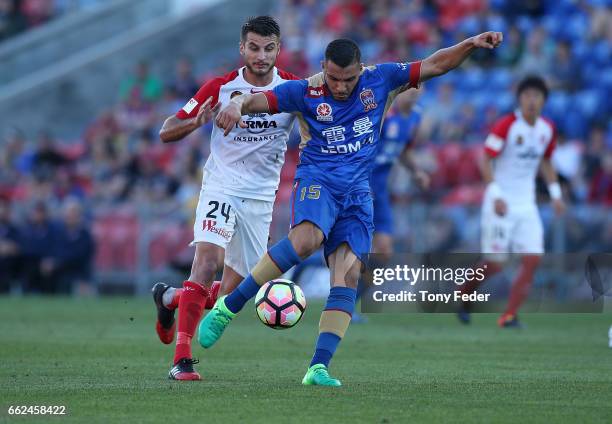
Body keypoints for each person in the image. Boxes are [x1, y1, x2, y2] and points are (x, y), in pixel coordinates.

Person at [200, 32, 503, 386]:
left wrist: (469, 44)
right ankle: (227, 307)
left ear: (362, 69)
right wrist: (236, 105)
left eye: (348, 79)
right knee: (306, 239)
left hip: (358, 192)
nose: (341, 87)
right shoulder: (305, 90)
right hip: (318, 180)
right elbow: (258, 100)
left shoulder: (382, 79)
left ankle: (318, 368)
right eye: (333, 78)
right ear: (322, 69)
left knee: (347, 275)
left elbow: (436, 63)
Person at [153, 16, 300, 381]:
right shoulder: (220, 87)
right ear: (242, 48)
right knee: (207, 262)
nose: (261, 56)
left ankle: (172, 298)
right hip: (221, 185)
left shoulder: (292, 88)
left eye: (268, 48)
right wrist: (196, 122)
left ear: (278, 50)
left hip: (261, 196)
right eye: (254, 47)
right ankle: (181, 360)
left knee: (239, 290)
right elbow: (166, 130)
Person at [457, 75, 566, 327]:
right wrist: (495, 194)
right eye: (527, 95)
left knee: (533, 258)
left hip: (526, 205)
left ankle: (509, 315)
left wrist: (556, 194)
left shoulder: (547, 129)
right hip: (501, 203)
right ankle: (463, 295)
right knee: (495, 264)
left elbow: (547, 161)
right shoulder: (506, 125)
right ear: (519, 99)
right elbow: (485, 159)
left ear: (543, 101)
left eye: (536, 96)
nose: (531, 100)